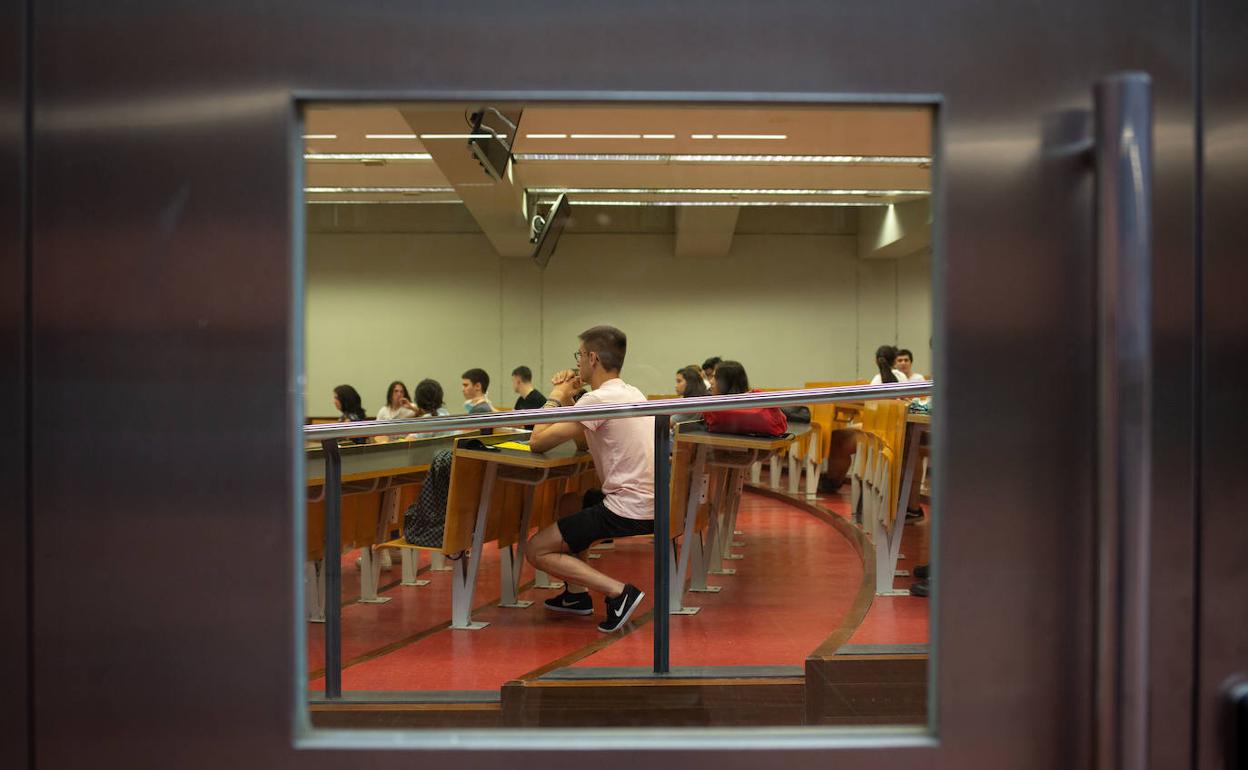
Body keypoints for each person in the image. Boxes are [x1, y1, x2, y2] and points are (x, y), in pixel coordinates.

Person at [525, 325, 653, 633]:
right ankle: (576, 594)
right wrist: (572, 400)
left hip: (628, 508)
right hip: (651, 501)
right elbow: (583, 440)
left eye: (579, 355)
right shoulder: (632, 392)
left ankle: (619, 593)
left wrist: (555, 396)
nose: (577, 363)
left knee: (536, 549)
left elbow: (537, 441)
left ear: (592, 358)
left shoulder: (598, 400)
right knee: (570, 503)